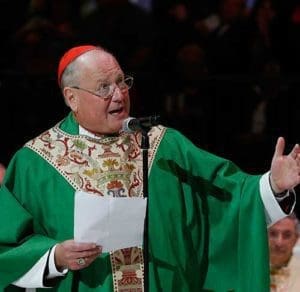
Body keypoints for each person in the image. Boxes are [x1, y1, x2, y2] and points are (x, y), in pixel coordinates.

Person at [0, 45, 300, 292]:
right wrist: (57, 257)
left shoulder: (164, 146)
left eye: (122, 82)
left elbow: (228, 199)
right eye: (104, 87)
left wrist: (273, 185)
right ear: (71, 97)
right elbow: (8, 249)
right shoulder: (35, 163)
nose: (118, 95)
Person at [269, 213, 300, 291]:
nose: (279, 242)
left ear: (296, 239)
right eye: (273, 234)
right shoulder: (246, 268)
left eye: (287, 235)